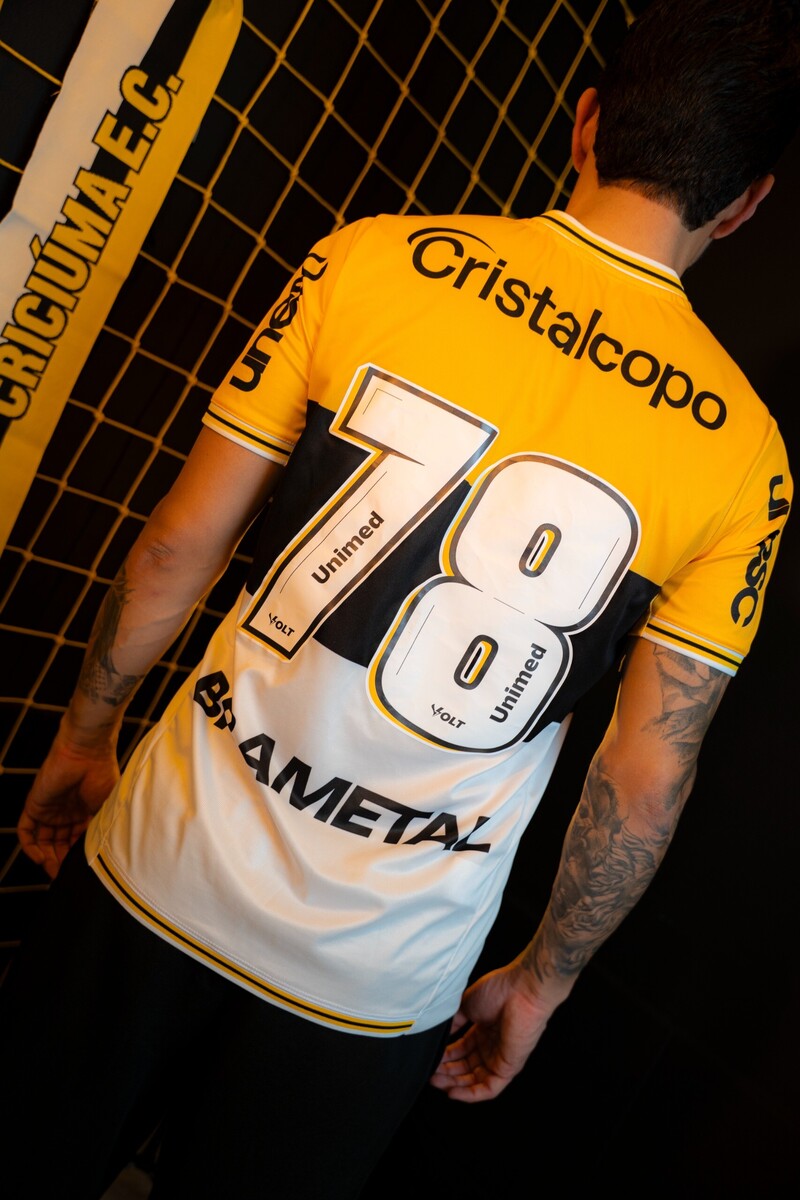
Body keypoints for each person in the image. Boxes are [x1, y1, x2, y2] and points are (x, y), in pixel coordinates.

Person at [3, 1, 798, 1196]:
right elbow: (642, 778)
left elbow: (177, 546)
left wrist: (81, 737)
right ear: (744, 203)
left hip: (160, 863)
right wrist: (540, 984)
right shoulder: (744, 453)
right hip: (379, 981)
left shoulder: (375, 257)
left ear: (583, 122)